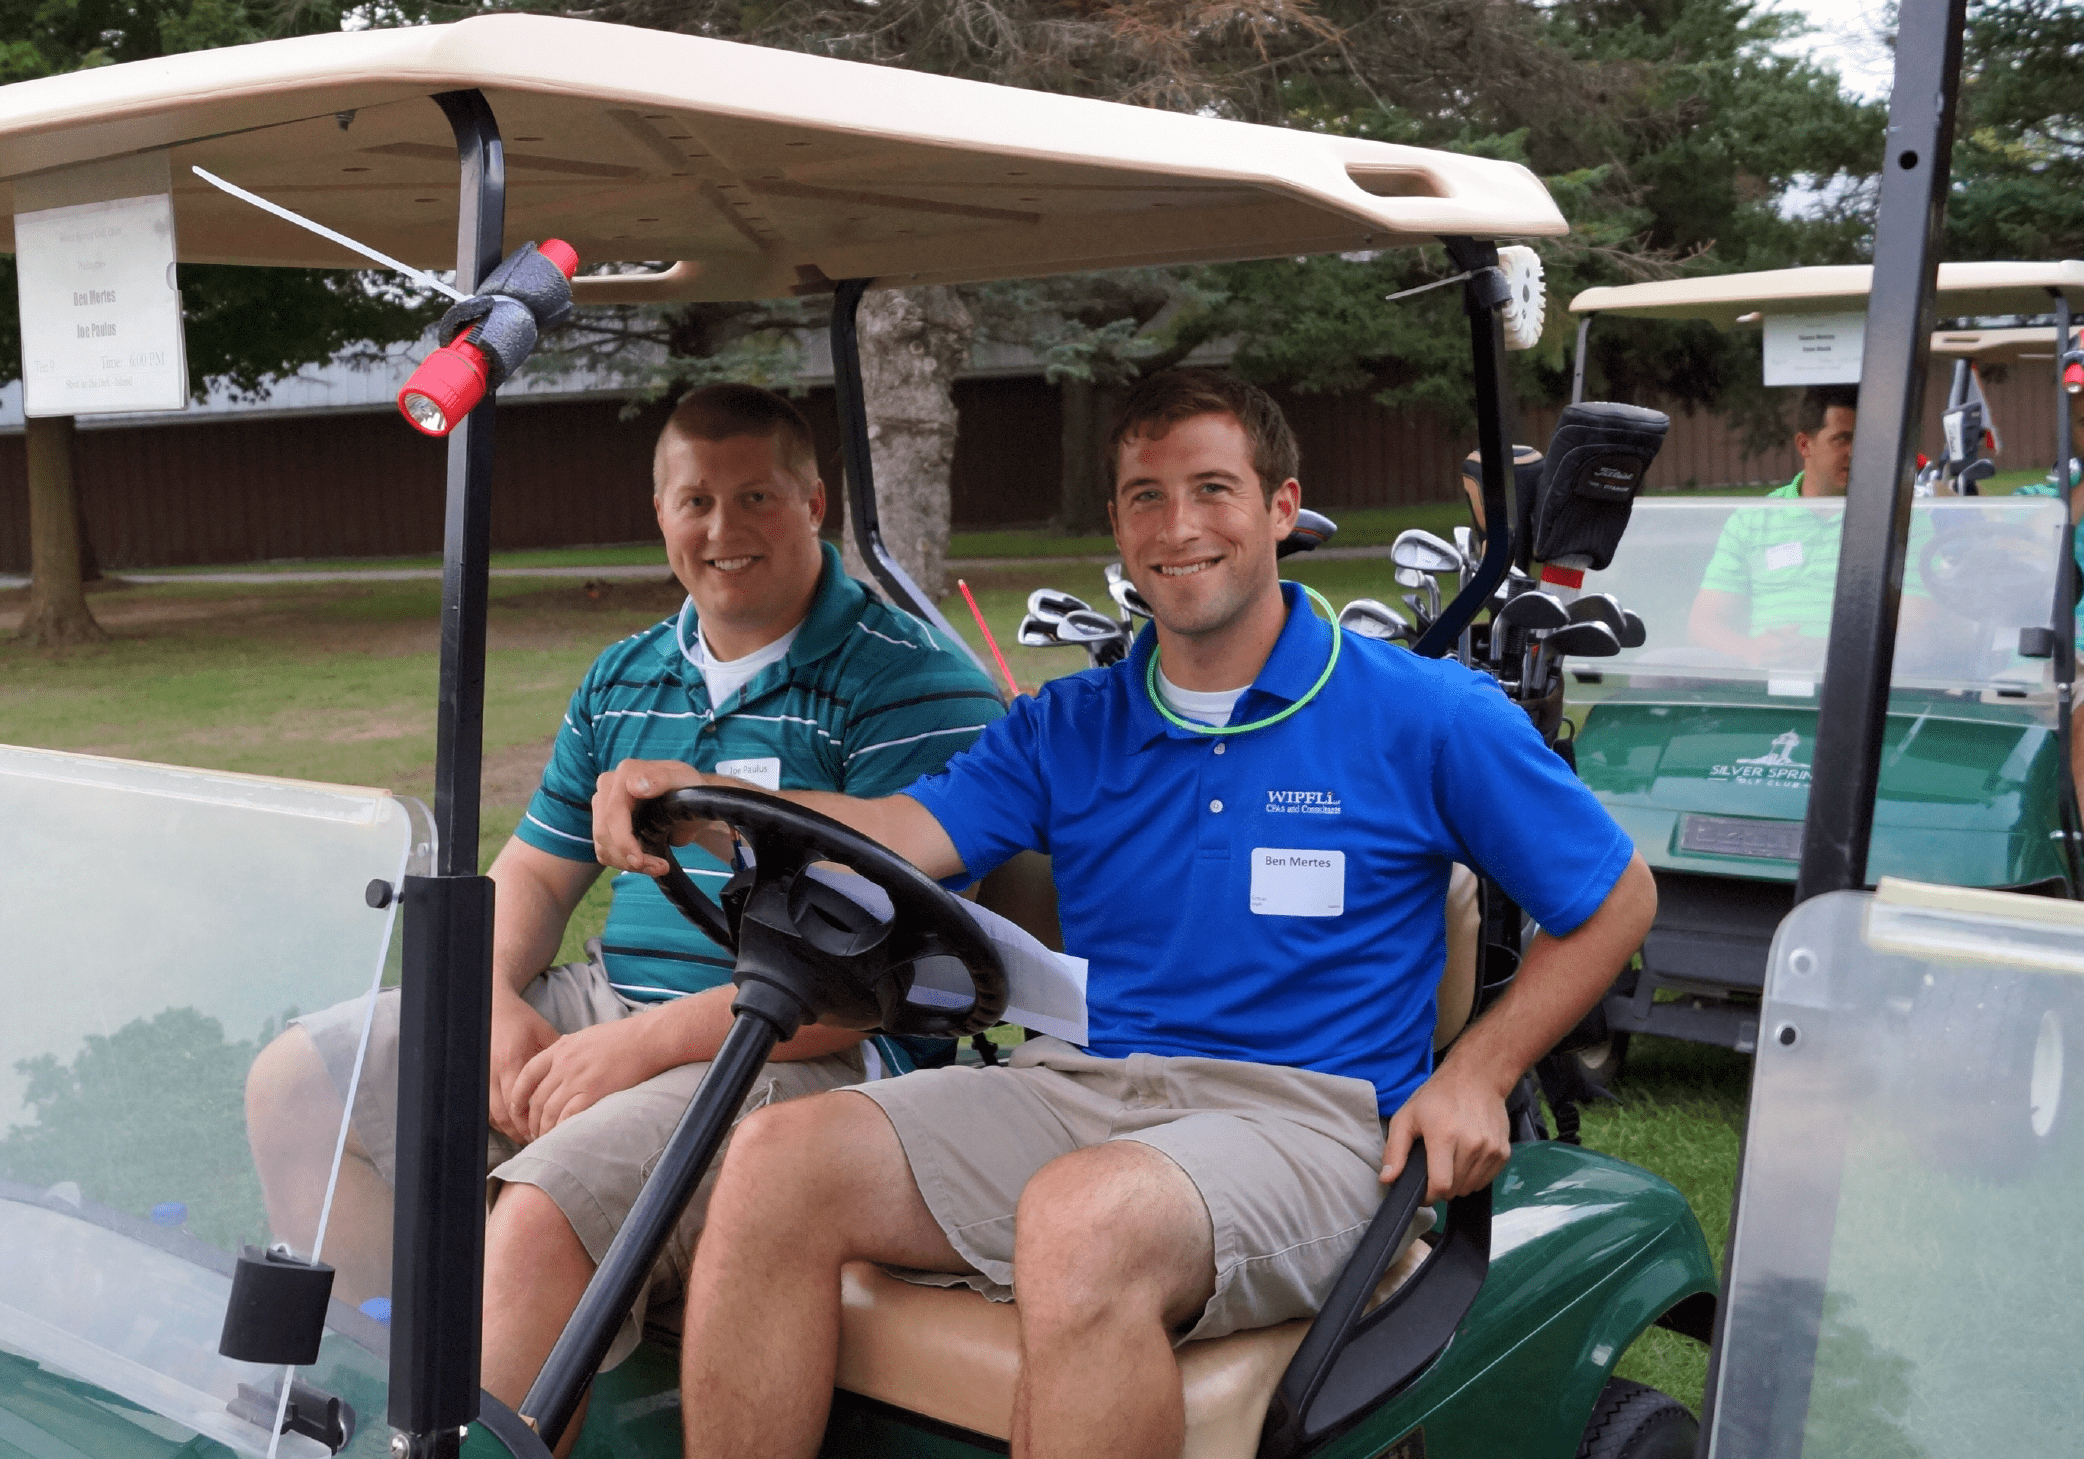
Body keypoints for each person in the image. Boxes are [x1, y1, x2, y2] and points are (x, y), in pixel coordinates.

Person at [592, 369, 1657, 1459]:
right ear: (1116, 523)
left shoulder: (1418, 713)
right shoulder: (1069, 724)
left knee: (1083, 1218)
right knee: (773, 1157)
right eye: (1145, 496)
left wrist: (1476, 1070)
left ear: (1279, 509)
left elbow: (1613, 897)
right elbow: (893, 828)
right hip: (1075, 1092)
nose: (1178, 526)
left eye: (1211, 489)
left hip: (1305, 1121)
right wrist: (707, 805)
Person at [242, 383, 1005, 1419]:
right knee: (300, 1083)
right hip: (613, 1000)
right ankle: (394, 1405)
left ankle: (490, 1413)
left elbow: (872, 983)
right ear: (660, 513)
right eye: (696, 501)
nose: (723, 530)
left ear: (815, 502)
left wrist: (641, 1051)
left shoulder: (910, 684)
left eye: (757, 498)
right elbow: (537, 873)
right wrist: (495, 998)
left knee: (545, 1208)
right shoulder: (624, 676)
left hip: (816, 1047)